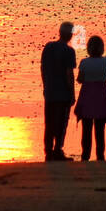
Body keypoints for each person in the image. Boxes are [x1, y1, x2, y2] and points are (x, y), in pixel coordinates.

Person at [40, 22, 77, 161]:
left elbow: (43, 68)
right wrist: (72, 94)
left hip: (50, 91)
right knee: (61, 123)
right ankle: (57, 149)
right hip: (62, 93)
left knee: (49, 122)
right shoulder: (69, 51)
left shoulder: (48, 47)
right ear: (70, 35)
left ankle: (48, 151)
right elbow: (69, 74)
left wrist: (45, 85)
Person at [74, 34, 106, 161]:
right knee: (100, 130)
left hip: (87, 97)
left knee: (86, 130)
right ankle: (100, 156)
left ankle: (85, 155)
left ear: (88, 48)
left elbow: (80, 79)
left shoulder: (84, 62)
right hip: (101, 97)